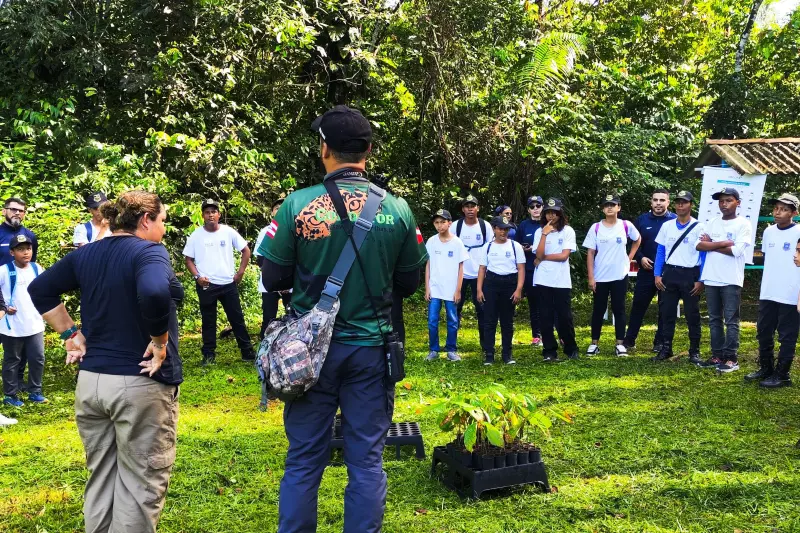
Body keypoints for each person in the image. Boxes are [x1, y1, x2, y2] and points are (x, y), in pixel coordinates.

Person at [257, 105, 427, 533]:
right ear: (368, 150)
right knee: (367, 459)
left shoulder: (297, 204)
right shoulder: (399, 210)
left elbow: (273, 275)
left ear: (324, 150)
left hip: (308, 355)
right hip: (371, 351)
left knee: (303, 459)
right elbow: (409, 280)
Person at [28, 191, 184, 533]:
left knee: (101, 477)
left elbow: (40, 289)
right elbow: (156, 291)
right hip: (139, 385)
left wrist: (70, 334)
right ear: (145, 220)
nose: (163, 229)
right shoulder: (149, 252)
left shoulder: (89, 253)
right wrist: (160, 342)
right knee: (140, 483)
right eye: (162, 221)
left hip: (92, 383)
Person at [183, 199, 255, 364]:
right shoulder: (196, 235)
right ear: (202, 215)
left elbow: (245, 250)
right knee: (208, 321)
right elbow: (188, 260)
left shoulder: (228, 232)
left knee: (237, 319)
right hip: (207, 284)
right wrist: (197, 277)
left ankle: (247, 352)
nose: (210, 215)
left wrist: (240, 272)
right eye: (207, 212)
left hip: (228, 284)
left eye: (213, 212)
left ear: (219, 214)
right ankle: (208, 356)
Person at [695, 187, 752, 373]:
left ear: (738, 202)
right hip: (711, 278)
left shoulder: (743, 224)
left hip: (731, 280)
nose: (724, 204)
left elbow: (736, 252)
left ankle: (731, 358)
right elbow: (699, 245)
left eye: (728, 200)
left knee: (731, 320)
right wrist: (722, 243)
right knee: (714, 319)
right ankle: (717, 355)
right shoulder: (712, 222)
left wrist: (711, 244)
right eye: (721, 201)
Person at [746, 193, 800, 387]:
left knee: (787, 335)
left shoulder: (799, 232)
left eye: (784, 209)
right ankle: (766, 368)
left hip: (791, 293)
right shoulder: (768, 231)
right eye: (776, 208)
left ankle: (782, 374)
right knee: (763, 330)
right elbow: (769, 259)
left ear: (794, 212)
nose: (778, 212)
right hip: (768, 290)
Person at [582, 194, 641, 356]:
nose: (609, 207)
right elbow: (590, 253)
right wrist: (591, 277)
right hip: (600, 276)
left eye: (612, 205)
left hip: (620, 275)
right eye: (606, 205)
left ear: (618, 208)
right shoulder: (596, 227)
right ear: (602, 208)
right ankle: (594, 343)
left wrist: (629, 258)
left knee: (619, 309)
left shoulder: (626, 225)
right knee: (598, 309)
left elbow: (637, 240)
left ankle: (620, 344)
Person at [652, 190, 705, 363]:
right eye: (678, 202)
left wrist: (701, 279)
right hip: (670, 273)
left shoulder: (700, 227)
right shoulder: (667, 226)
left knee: (692, 314)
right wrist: (657, 274)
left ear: (691, 205)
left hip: (690, 274)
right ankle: (666, 348)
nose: (680, 205)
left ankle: (694, 351)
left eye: (684, 202)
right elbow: (661, 251)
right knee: (666, 312)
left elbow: (704, 255)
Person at [624, 189, 676, 352]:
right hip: (646, 270)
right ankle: (629, 340)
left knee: (665, 308)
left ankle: (659, 342)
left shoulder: (675, 220)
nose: (658, 203)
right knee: (638, 305)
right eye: (655, 200)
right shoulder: (641, 220)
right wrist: (640, 258)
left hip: (667, 272)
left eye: (662, 200)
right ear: (651, 202)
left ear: (668, 202)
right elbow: (633, 242)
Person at [1, 235, 47, 407]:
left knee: (37, 358)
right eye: (20, 249)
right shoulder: (4, 271)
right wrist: (4, 306)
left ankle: (35, 391)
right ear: (12, 252)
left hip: (34, 324)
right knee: (12, 360)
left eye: (28, 248)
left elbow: (44, 291)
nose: (26, 252)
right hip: (12, 326)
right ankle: (10, 395)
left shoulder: (37, 268)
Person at [532, 198, 578, 361]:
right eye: (548, 212)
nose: (551, 216)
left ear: (560, 213)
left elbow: (564, 256)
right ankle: (549, 351)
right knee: (545, 316)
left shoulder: (567, 231)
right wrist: (545, 233)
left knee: (564, 316)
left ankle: (571, 348)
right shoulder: (539, 232)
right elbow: (537, 254)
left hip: (561, 280)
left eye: (554, 212)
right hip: (542, 279)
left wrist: (543, 258)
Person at [477, 216, 525, 364]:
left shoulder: (515, 246)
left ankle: (507, 354)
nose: (503, 232)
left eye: (506, 229)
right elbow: (482, 269)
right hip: (491, 283)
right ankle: (489, 354)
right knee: (489, 320)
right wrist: (479, 289)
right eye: (500, 229)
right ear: (494, 229)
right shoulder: (488, 247)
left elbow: (521, 269)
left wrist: (518, 289)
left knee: (507, 321)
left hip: (509, 283)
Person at [425, 209, 468, 362]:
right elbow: (428, 265)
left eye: (443, 222)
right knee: (432, 320)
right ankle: (433, 349)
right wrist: (427, 288)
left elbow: (461, 267)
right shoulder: (431, 241)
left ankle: (451, 349)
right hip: (435, 287)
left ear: (449, 223)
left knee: (452, 320)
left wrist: (458, 290)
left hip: (451, 289)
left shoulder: (457, 243)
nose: (439, 225)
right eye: (436, 222)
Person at [452, 194, 492, 349]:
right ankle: (452, 343)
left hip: (479, 274)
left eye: (473, 206)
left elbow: (490, 248)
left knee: (482, 309)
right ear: (463, 209)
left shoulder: (485, 226)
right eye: (467, 206)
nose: (470, 209)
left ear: (478, 208)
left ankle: (485, 343)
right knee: (455, 308)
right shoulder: (456, 226)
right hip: (460, 274)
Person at [254, 199, 292, 340]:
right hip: (269, 281)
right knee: (269, 316)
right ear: (272, 213)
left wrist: (287, 282)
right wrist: (276, 281)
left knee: (293, 315)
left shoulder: (295, 229)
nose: (280, 210)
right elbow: (260, 258)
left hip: (291, 282)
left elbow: (300, 259)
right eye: (277, 208)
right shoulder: (266, 232)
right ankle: (266, 344)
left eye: (283, 208)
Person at [516, 195, 544, 345]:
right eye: (532, 207)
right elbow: (515, 245)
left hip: (545, 268)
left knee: (547, 302)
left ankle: (550, 333)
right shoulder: (523, 225)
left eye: (538, 206)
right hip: (528, 269)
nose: (535, 209)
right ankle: (536, 335)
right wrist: (524, 248)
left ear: (543, 207)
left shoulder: (548, 224)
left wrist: (536, 249)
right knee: (533, 303)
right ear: (528, 209)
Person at [0, 198, 38, 268]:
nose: (17, 213)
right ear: (4, 211)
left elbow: (32, 263)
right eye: (13, 209)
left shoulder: (30, 236)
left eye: (21, 211)